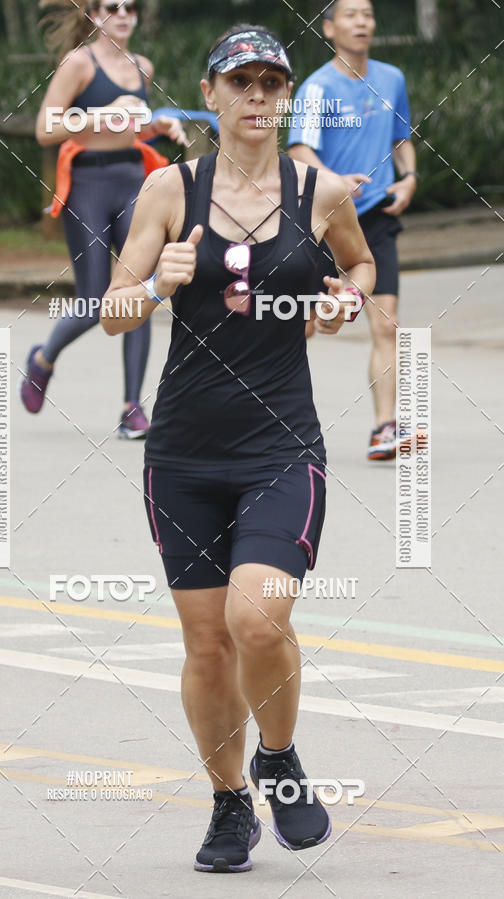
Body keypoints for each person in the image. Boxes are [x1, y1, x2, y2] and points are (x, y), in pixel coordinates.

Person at [101, 24, 375, 872]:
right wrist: (156, 283)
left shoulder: (319, 189)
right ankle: (228, 806)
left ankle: (279, 758)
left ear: (286, 95)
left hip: (281, 443)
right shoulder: (168, 190)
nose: (258, 97)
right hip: (183, 451)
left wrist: (343, 302)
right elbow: (112, 309)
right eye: (242, 82)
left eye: (272, 83)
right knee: (206, 642)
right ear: (211, 95)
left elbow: (360, 269)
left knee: (258, 618)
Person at [20, 0, 187, 437]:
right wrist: (101, 113)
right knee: (96, 302)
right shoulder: (79, 63)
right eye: (113, 6)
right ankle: (43, 358)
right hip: (88, 185)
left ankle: (132, 407)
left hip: (135, 180)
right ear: (94, 15)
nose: (124, 13)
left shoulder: (143, 66)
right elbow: (45, 128)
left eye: (131, 6)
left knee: (138, 292)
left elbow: (131, 129)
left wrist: (158, 128)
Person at [288, 0, 417, 461]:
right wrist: (336, 183)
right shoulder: (317, 88)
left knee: (386, 325)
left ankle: (385, 428)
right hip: (325, 220)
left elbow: (402, 137)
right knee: (300, 327)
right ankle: (262, 421)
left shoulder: (391, 79)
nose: (361, 22)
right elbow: (300, 150)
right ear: (329, 27)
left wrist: (410, 177)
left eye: (367, 14)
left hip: (377, 219)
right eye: (350, 14)